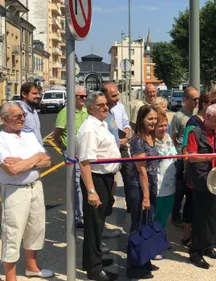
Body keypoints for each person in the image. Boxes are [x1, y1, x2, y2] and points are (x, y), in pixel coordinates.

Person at [0, 102, 54, 281]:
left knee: (36, 228)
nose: (23, 119)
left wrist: (26, 161)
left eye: (23, 115)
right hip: (14, 191)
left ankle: (31, 267)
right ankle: (11, 277)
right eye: (18, 116)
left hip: (35, 186)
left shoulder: (29, 135)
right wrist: (35, 158)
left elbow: (48, 161)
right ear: (5, 119)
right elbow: (13, 170)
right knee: (13, 232)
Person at [77, 92, 121, 281]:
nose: (105, 107)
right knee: (94, 227)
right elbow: (85, 162)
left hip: (105, 178)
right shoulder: (89, 129)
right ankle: (94, 270)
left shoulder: (101, 124)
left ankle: (92, 261)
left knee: (99, 224)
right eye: (100, 105)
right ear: (90, 108)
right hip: (95, 179)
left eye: (106, 104)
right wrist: (91, 191)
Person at [185, 104, 216, 269]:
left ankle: (208, 246)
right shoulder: (194, 132)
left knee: (211, 215)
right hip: (200, 180)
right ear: (207, 117)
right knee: (199, 218)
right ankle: (195, 252)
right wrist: (211, 158)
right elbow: (192, 157)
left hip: (214, 180)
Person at [176, 92, 216, 246]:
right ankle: (188, 235)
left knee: (204, 209)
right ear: (205, 105)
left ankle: (203, 241)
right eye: (212, 102)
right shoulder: (193, 123)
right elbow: (186, 150)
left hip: (207, 173)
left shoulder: (213, 126)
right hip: (194, 173)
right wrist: (188, 172)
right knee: (191, 205)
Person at [127, 105, 160, 278]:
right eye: (150, 119)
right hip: (139, 187)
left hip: (151, 184)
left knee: (147, 225)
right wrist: (146, 196)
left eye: (155, 118)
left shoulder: (151, 137)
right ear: (141, 120)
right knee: (138, 227)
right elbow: (142, 171)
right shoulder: (137, 140)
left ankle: (145, 261)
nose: (153, 122)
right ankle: (134, 268)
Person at [53, 85, 88, 228]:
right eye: (81, 96)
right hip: (72, 152)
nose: (84, 99)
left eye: (85, 96)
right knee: (77, 183)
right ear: (73, 97)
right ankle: (78, 217)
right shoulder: (65, 112)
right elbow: (57, 134)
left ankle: (82, 213)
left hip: (85, 151)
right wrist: (63, 147)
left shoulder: (86, 111)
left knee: (84, 183)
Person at [101, 81, 130, 239]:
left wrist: (125, 136)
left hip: (120, 151)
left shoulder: (119, 108)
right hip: (105, 157)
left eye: (117, 95)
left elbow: (125, 124)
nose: (117, 99)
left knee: (126, 181)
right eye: (113, 96)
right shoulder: (100, 112)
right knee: (106, 190)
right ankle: (102, 223)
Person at [170, 87, 199, 229]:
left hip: (193, 156)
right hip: (181, 158)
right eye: (194, 99)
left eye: (198, 99)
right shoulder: (178, 117)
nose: (197, 102)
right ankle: (175, 215)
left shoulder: (197, 114)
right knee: (180, 189)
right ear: (186, 100)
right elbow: (173, 139)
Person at [154, 112, 177, 229]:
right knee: (153, 217)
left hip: (170, 186)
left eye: (165, 125)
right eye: (160, 126)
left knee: (164, 217)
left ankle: (158, 239)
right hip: (156, 188)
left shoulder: (168, 138)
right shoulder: (150, 142)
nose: (164, 128)